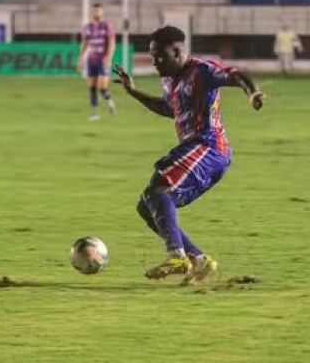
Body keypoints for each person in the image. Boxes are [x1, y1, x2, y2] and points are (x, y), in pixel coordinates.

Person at [113, 25, 265, 284]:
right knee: (147, 205)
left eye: (159, 56)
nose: (154, 62)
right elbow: (168, 108)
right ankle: (199, 260)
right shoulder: (169, 81)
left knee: (159, 186)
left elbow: (235, 75)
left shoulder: (201, 70)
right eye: (152, 57)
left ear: (177, 52)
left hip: (209, 146)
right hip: (196, 150)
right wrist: (133, 92)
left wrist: (252, 92)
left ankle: (177, 256)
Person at [77, 3, 117, 120]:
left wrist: (108, 58)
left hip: (102, 59)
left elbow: (111, 43)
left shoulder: (107, 26)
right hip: (91, 60)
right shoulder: (87, 27)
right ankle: (95, 113)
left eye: (99, 11)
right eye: (95, 11)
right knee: (92, 87)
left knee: (102, 87)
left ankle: (110, 104)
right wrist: (81, 60)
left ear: (102, 12)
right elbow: (84, 44)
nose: (97, 13)